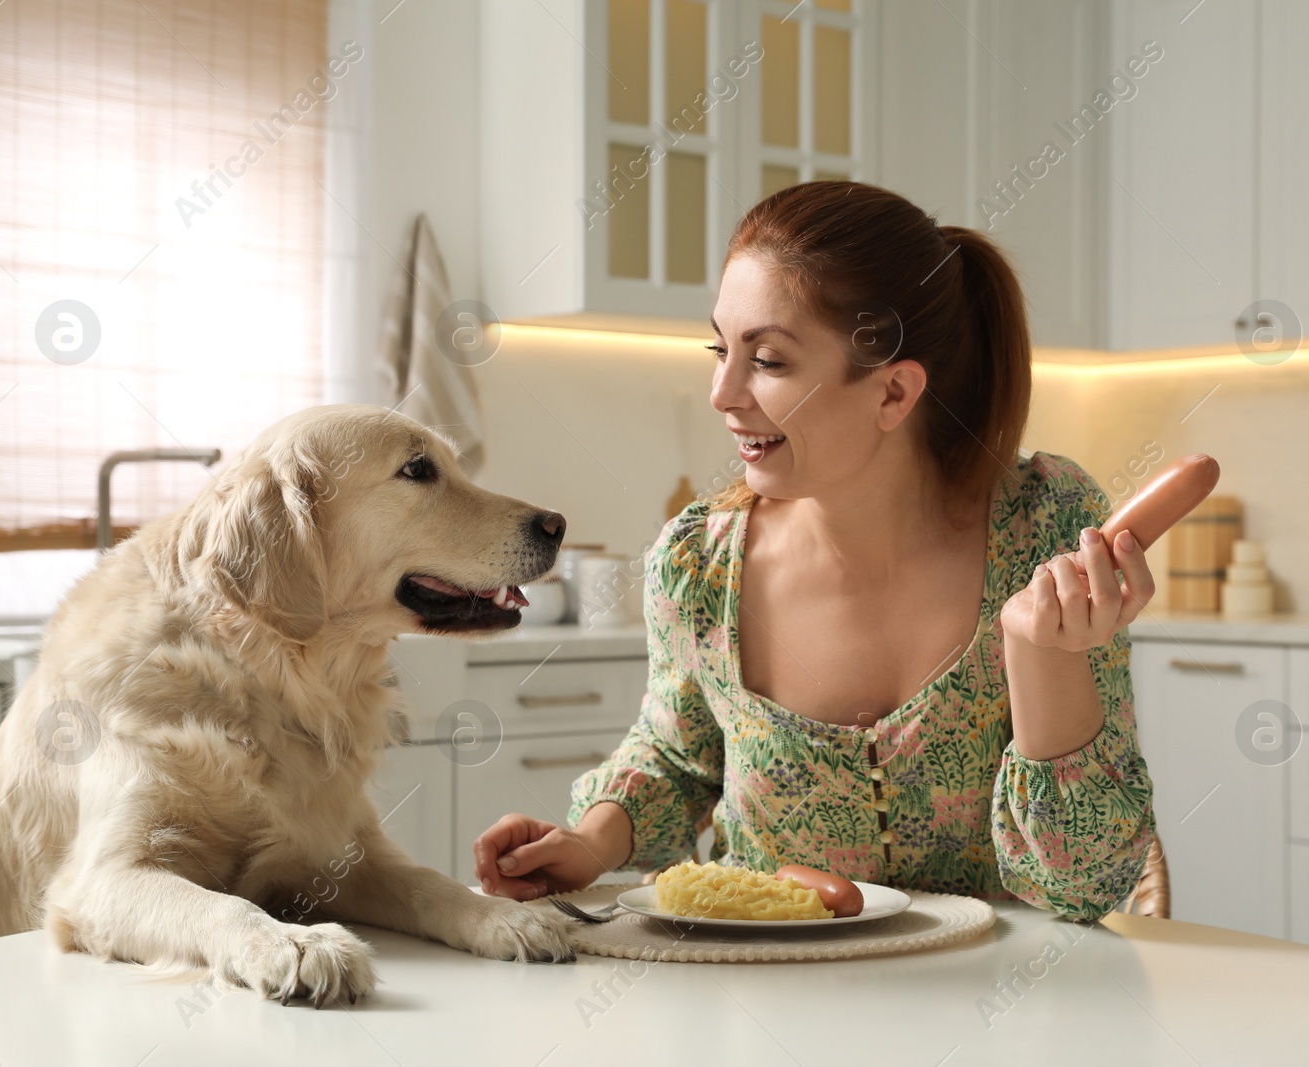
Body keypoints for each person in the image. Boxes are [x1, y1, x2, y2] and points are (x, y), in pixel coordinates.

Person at [473, 181, 1157, 922]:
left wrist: (1043, 652)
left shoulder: (1046, 527)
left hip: (996, 1006)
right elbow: (676, 757)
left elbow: (1087, 887)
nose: (722, 392)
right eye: (720, 349)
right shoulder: (699, 563)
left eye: (766, 359)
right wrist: (585, 843)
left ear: (893, 393)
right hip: (759, 997)